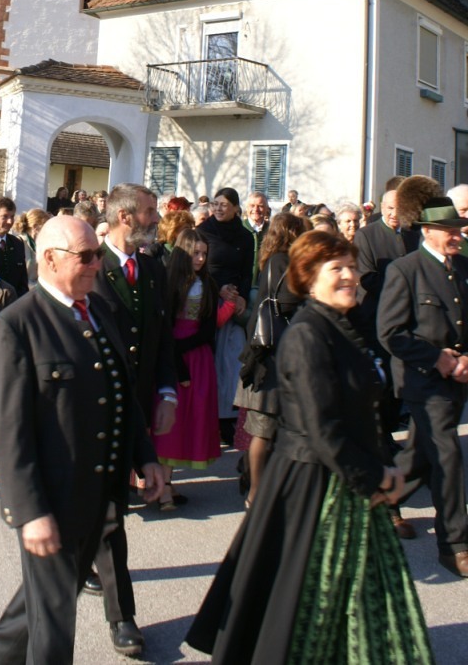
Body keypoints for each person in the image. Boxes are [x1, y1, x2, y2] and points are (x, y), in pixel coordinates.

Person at [187, 230, 434, 664]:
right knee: (305, 599)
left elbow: (361, 415)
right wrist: (377, 476)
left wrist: (385, 466)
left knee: (358, 595)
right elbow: (322, 429)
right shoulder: (307, 334)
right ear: (309, 279)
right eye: (336, 268)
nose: (349, 276)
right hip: (311, 483)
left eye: (351, 266)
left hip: (349, 478)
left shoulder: (344, 326)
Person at [0, 216, 163, 665]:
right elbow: (9, 431)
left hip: (100, 493)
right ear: (50, 259)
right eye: (87, 256)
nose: (97, 264)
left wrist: (146, 457)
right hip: (52, 498)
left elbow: (121, 389)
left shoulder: (98, 309)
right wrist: (29, 512)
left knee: (57, 590)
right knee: (56, 617)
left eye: (97, 253)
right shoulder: (17, 325)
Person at [89, 182, 176, 657]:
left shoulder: (152, 268)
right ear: (125, 217)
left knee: (107, 515)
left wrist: (167, 391)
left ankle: (94, 576)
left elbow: (160, 336)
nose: (156, 219)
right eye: (149, 212)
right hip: (97, 410)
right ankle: (121, 615)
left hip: (138, 405)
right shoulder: (91, 267)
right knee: (105, 515)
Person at [378, 188, 468, 578]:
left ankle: (378, 502)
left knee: (418, 456)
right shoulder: (406, 269)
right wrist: (437, 358)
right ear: (428, 231)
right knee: (447, 457)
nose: (457, 236)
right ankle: (455, 545)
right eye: (450, 230)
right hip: (423, 382)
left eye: (459, 229)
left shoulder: (462, 267)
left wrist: (464, 359)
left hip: (457, 381)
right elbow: (390, 333)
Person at [354, 184, 419, 539]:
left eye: (399, 208)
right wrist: (405, 278)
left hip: (407, 333)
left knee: (396, 404)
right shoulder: (367, 236)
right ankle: (388, 501)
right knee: (377, 411)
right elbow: (367, 278)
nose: (395, 215)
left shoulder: (412, 234)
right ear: (382, 207)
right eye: (389, 208)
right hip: (375, 328)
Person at [153, 228, 234, 509]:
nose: (200, 259)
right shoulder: (169, 282)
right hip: (171, 356)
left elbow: (208, 328)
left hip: (197, 357)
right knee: (169, 423)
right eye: (195, 253)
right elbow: (163, 327)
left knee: (188, 422)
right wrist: (176, 361)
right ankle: (163, 487)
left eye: (203, 254)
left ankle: (167, 482)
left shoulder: (208, 283)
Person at [235, 213, 307, 506]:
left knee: (269, 431)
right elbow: (286, 301)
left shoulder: (276, 259)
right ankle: (255, 493)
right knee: (263, 432)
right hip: (269, 358)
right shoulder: (280, 260)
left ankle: (260, 485)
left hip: (274, 353)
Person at [197, 187, 252, 444]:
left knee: (233, 360)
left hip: (234, 302)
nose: (218, 208)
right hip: (209, 300)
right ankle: (208, 418)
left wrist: (241, 296)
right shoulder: (203, 232)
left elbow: (247, 271)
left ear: (236, 208)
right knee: (210, 360)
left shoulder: (245, 236)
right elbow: (198, 267)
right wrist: (218, 288)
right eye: (215, 203)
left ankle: (228, 417)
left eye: (224, 204)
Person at [0, 197, 29, 297]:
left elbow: (23, 281)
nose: (10, 221)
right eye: (4, 216)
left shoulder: (17, 243)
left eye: (12, 216)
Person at [14, 208, 50, 287]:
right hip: (24, 291)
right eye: (45, 227)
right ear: (35, 227)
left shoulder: (39, 245)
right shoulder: (18, 243)